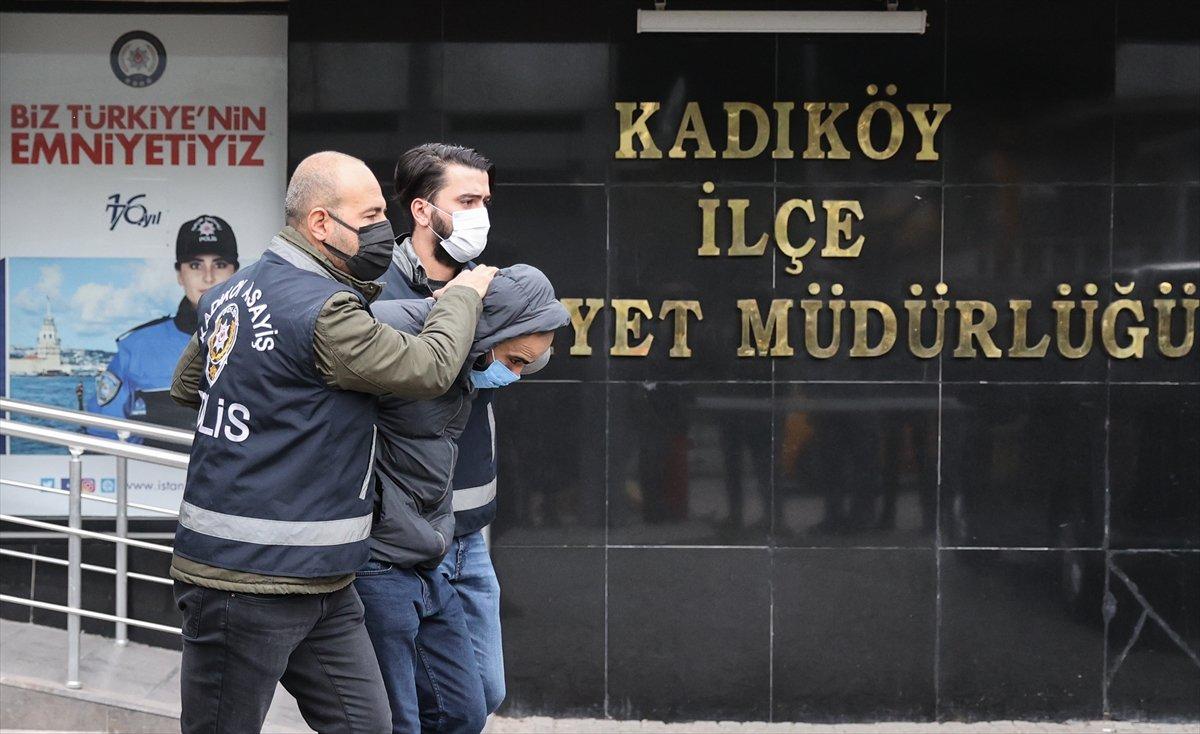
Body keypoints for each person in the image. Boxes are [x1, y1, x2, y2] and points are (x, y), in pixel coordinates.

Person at [167, 150, 498, 734]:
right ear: (321, 224)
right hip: (246, 580)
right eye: (370, 216)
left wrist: (279, 412)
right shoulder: (324, 310)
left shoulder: (233, 291)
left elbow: (189, 384)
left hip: (327, 577)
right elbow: (428, 368)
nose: (383, 231)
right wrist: (465, 296)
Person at [357, 265, 569, 734]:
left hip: (428, 549)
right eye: (514, 360)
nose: (513, 375)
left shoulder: (466, 364)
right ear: (489, 330)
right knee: (398, 720)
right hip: (379, 557)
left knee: (467, 709)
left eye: (525, 366)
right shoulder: (387, 329)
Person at [383, 143, 532, 716]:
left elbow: (530, 351)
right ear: (422, 211)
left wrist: (510, 356)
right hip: (410, 533)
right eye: (466, 200)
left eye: (486, 202)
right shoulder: (379, 291)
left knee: (486, 691)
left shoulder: (486, 285)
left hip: (471, 529)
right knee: (431, 701)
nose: (481, 216)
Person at [88, 214, 239, 438]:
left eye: (220, 264)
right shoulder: (137, 346)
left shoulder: (266, 340)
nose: (208, 277)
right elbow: (101, 429)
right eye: (196, 265)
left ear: (236, 272)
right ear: (180, 274)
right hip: (158, 471)